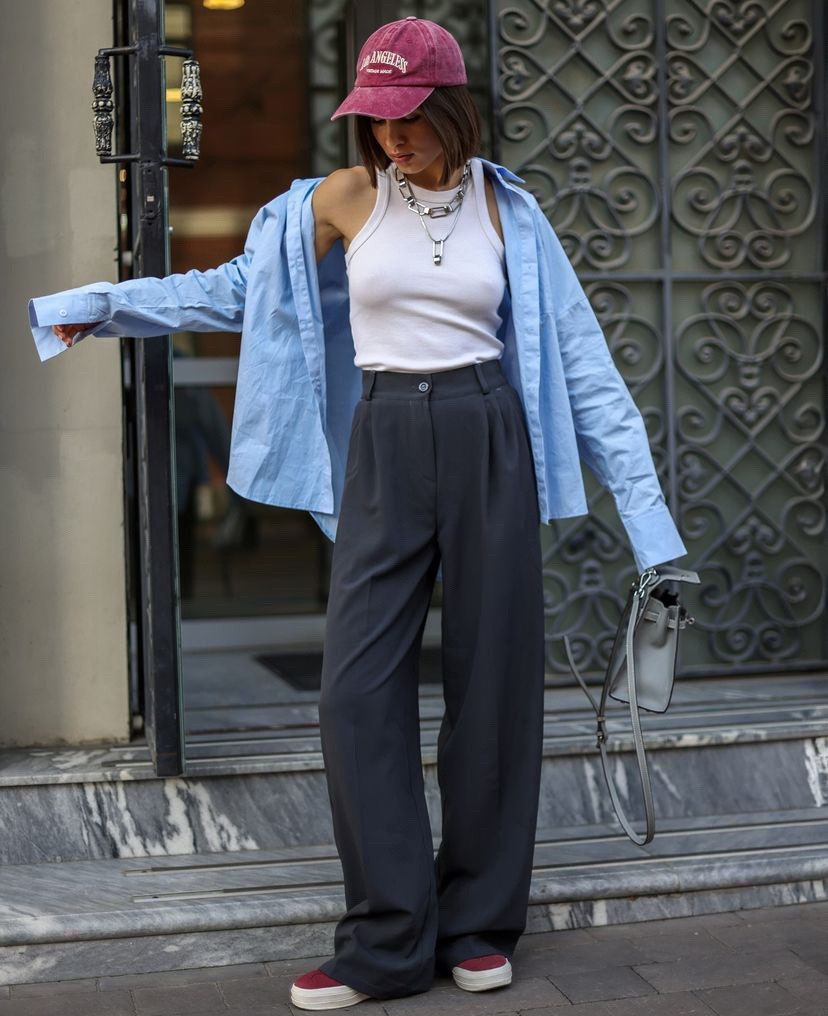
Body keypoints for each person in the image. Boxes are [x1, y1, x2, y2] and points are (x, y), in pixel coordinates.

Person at [29, 16, 687, 1012]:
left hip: (488, 431)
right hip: (382, 437)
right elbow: (237, 289)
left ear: (452, 108)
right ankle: (387, 934)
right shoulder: (338, 201)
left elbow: (586, 369)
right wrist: (104, 304)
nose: (393, 137)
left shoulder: (513, 212)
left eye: (411, 116)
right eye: (376, 119)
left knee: (496, 683)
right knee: (354, 691)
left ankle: (476, 923)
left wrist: (656, 535)